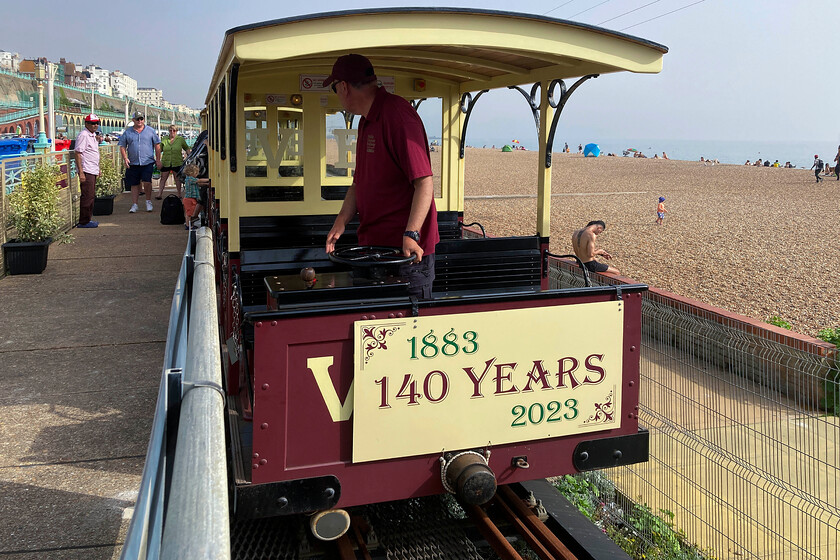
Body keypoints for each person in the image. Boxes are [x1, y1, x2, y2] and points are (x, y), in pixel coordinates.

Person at [323, 53, 438, 299]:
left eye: (334, 88)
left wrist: (411, 234)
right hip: (372, 251)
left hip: (405, 258)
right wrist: (341, 220)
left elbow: (425, 183)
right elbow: (359, 182)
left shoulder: (397, 116)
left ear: (343, 87)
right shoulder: (365, 121)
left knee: (407, 332)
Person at [119, 111, 162, 212]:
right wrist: (125, 158)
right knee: (134, 184)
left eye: (141, 119)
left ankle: (148, 201)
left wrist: (158, 159)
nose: (139, 121)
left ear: (144, 120)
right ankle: (134, 204)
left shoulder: (150, 131)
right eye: (137, 119)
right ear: (133, 120)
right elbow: (122, 146)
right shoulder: (128, 132)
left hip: (147, 161)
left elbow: (157, 145)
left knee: (147, 182)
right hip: (133, 162)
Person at [73, 113, 101, 228]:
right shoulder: (84, 135)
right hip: (87, 170)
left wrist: (98, 169)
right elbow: (78, 153)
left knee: (90, 196)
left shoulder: (92, 135)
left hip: (92, 169)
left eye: (96, 123)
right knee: (87, 196)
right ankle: (84, 221)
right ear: (87, 124)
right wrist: (81, 172)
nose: (95, 126)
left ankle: (87, 219)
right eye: (92, 123)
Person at [155, 124, 191, 199]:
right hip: (166, 161)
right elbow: (159, 149)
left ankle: (179, 194)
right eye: (170, 130)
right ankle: (159, 194)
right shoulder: (164, 139)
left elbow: (186, 148)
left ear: (176, 131)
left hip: (177, 162)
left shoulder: (180, 139)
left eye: (174, 130)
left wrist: (190, 157)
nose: (172, 132)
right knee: (163, 178)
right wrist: (157, 160)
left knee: (177, 179)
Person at [182, 163, 209, 230]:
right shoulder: (190, 179)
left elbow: (199, 184)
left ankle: (190, 224)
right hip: (190, 199)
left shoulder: (189, 179)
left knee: (190, 212)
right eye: (196, 172)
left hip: (190, 198)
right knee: (189, 213)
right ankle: (188, 225)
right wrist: (208, 180)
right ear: (192, 173)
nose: (197, 174)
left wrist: (206, 184)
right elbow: (199, 181)